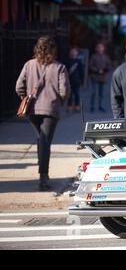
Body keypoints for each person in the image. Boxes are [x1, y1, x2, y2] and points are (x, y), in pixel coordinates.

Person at [15, 36, 70, 191]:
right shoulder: (59, 67)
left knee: (41, 139)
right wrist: (59, 101)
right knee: (45, 141)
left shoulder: (28, 65)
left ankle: (43, 174)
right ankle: (43, 177)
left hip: (32, 109)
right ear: (53, 49)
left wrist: (25, 98)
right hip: (51, 109)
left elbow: (19, 86)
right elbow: (64, 90)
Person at [89, 43, 111, 112]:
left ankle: (100, 106)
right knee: (94, 92)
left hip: (102, 77)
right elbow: (90, 66)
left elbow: (109, 65)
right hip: (95, 77)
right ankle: (92, 106)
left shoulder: (106, 57)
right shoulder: (93, 56)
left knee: (101, 93)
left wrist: (105, 69)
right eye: (98, 47)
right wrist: (97, 70)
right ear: (96, 49)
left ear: (103, 49)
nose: (100, 49)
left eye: (101, 47)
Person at [65, 47, 84, 112]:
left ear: (77, 53)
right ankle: (69, 106)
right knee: (69, 95)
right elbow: (65, 71)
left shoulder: (79, 61)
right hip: (69, 81)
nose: (73, 53)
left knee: (76, 94)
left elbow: (81, 72)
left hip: (76, 81)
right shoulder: (67, 61)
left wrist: (82, 81)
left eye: (74, 51)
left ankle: (77, 106)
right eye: (72, 51)